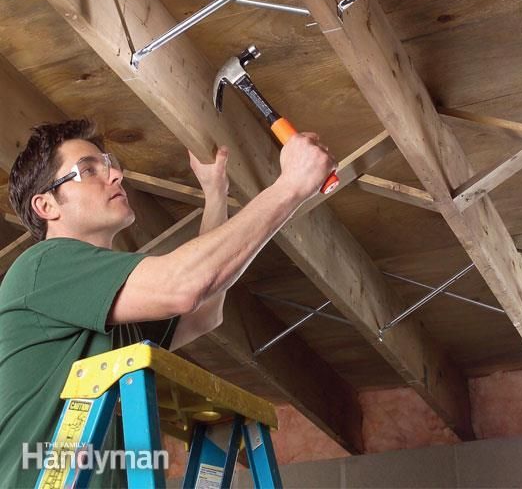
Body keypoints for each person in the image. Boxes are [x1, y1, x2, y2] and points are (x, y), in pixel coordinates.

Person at [0, 119, 335, 488]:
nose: (115, 176)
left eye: (109, 165)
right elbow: (184, 286)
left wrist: (215, 195)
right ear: (46, 204)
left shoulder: (105, 306)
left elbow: (202, 312)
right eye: (89, 170)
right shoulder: (43, 265)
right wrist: (291, 185)